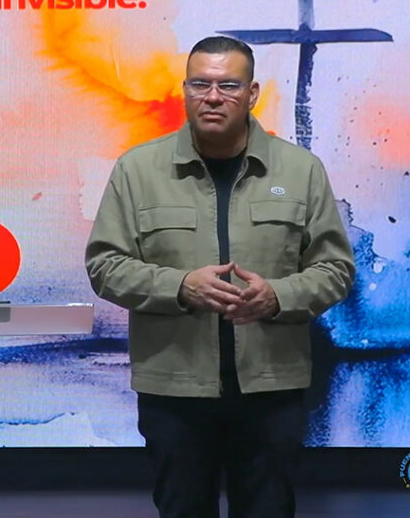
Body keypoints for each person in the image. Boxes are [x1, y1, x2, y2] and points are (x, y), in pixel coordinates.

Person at [85, 36, 355, 518]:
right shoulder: (137, 170)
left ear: (252, 94)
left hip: (272, 390)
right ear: (185, 91)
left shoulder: (300, 170)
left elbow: (335, 269)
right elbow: (105, 265)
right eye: (200, 84)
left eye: (228, 85)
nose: (212, 97)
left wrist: (278, 296)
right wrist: (179, 286)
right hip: (174, 391)